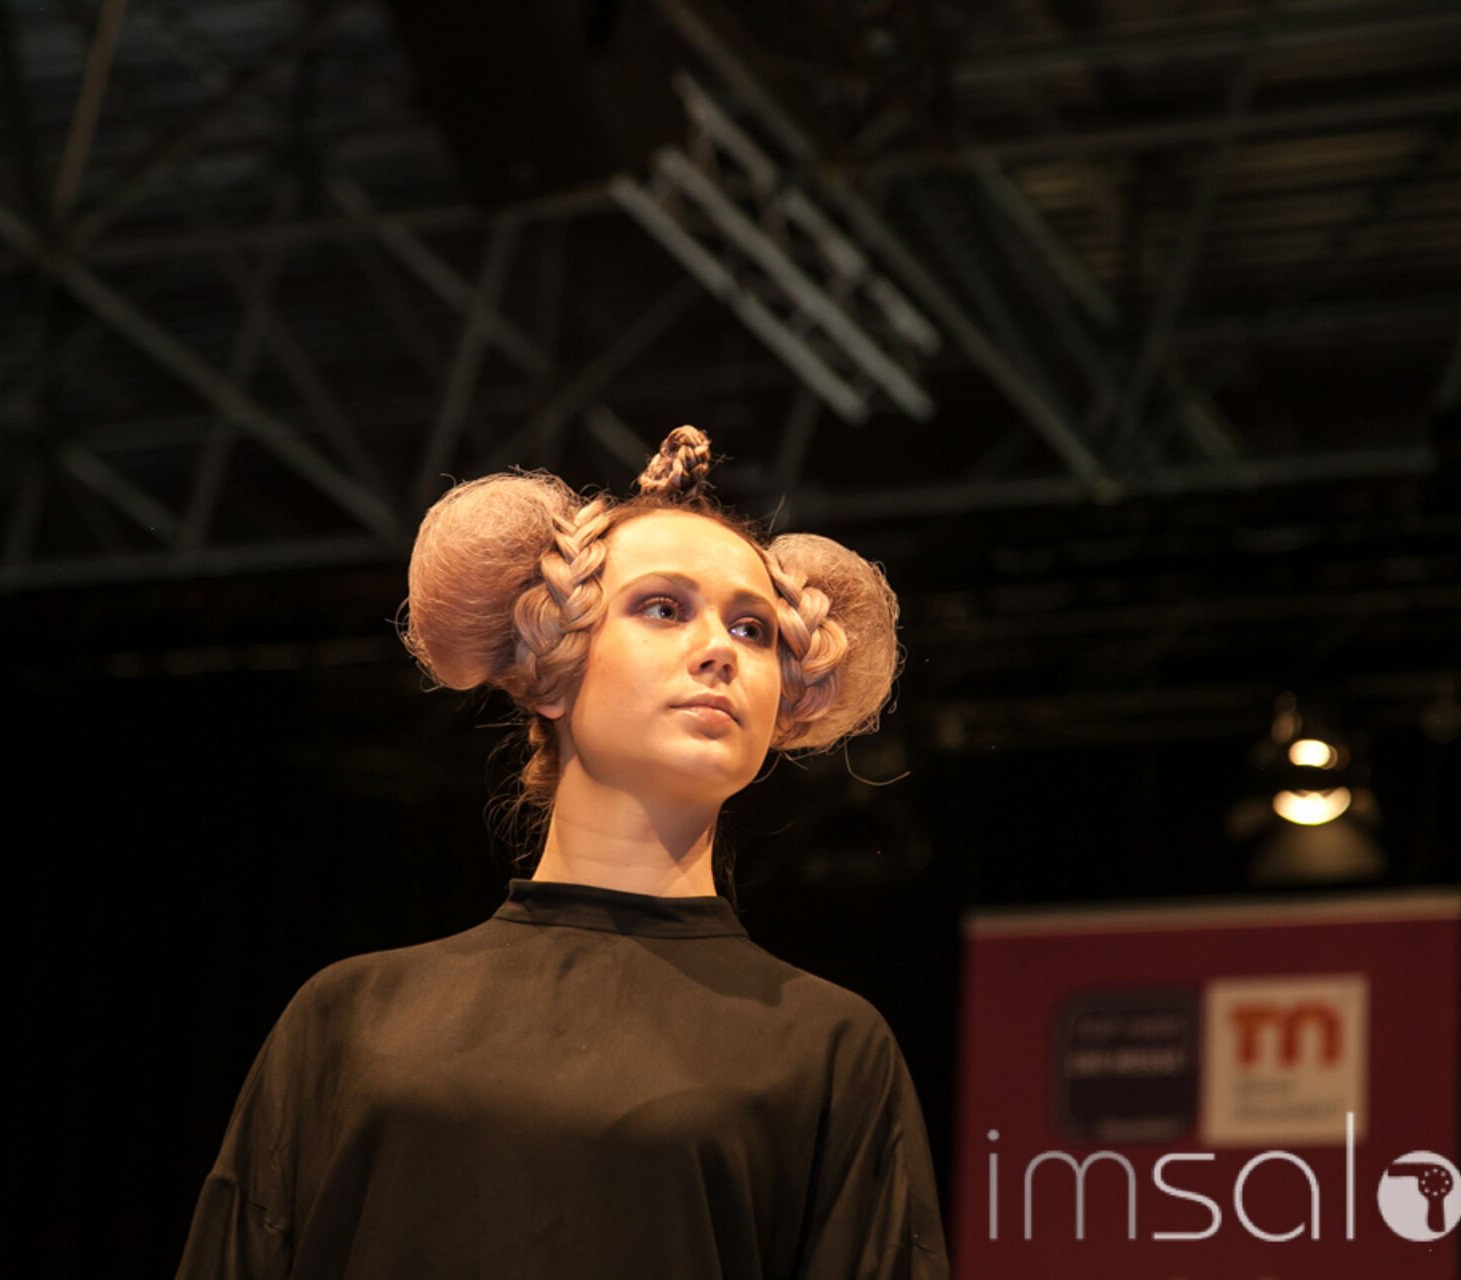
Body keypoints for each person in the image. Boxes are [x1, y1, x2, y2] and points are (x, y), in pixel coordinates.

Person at [175, 427, 950, 1279]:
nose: (720, 650)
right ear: (552, 659)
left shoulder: (829, 1049)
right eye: (664, 609)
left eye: (754, 628)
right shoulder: (349, 1020)